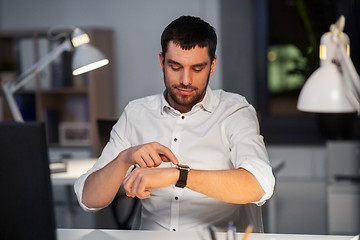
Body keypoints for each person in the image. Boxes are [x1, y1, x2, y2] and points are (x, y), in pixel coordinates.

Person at [74, 15, 275, 232]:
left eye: (197, 68)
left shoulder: (235, 111)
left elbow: (259, 184)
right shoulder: (136, 113)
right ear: (162, 61)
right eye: (175, 66)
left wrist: (178, 175)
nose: (185, 80)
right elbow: (89, 199)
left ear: (212, 65)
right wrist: (124, 159)